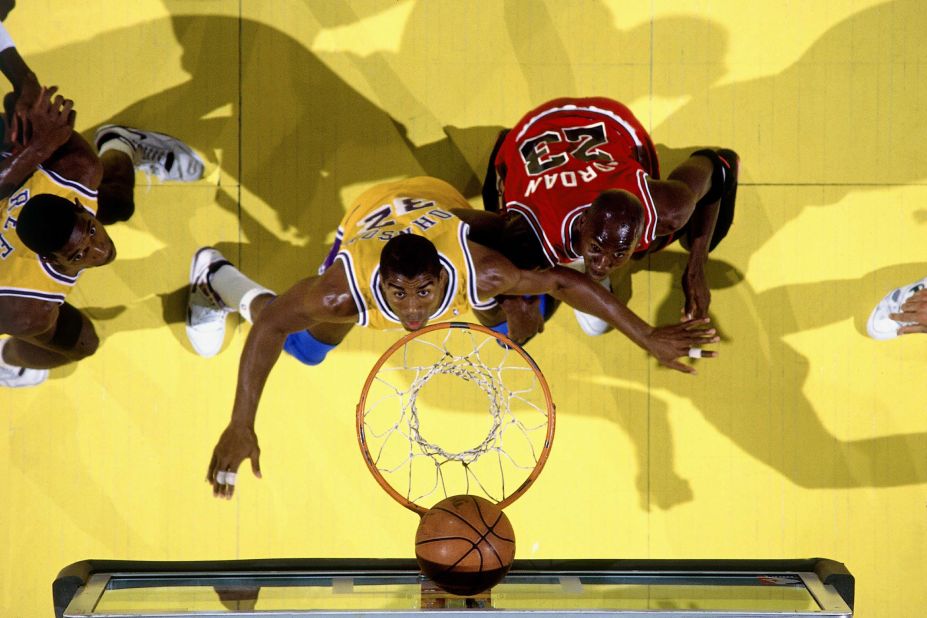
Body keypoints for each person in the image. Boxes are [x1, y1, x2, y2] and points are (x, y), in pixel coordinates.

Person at [185, 176, 720, 498]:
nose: (414, 311)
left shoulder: (477, 269)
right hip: (370, 213)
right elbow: (273, 325)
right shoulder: (342, 292)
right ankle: (215, 277)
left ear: (444, 276)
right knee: (304, 346)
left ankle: (552, 284)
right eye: (400, 297)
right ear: (383, 288)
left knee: (512, 312)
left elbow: (562, 279)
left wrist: (647, 335)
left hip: (437, 201)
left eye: (424, 294)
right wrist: (241, 422)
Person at [0, 17, 204, 387]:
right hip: (13, 294)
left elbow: (25, 109)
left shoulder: (77, 169)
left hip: (17, 179)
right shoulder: (25, 308)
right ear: (50, 260)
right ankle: (7, 360)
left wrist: (27, 94)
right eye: (80, 256)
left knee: (118, 203)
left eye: (91, 231)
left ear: (77, 205)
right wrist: (35, 148)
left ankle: (120, 142)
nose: (100, 249)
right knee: (83, 343)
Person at [465, 96, 739, 343]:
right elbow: (480, 262)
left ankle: (610, 253)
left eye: (619, 253)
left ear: (643, 227)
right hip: (531, 131)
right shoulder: (533, 234)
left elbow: (716, 166)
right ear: (582, 223)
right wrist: (512, 306)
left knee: (699, 239)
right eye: (596, 249)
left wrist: (696, 268)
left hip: (607, 120)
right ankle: (507, 141)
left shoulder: (667, 209)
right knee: (500, 326)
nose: (604, 263)